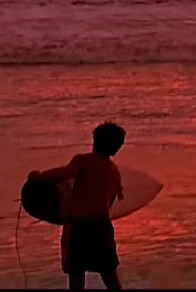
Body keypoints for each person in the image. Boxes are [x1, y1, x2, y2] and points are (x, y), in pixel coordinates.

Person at [29, 122, 127, 290]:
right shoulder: (114, 170)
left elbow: (65, 173)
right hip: (102, 226)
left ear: (95, 141)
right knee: (110, 277)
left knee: (76, 276)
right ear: (116, 148)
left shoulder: (83, 160)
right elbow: (111, 200)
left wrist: (39, 176)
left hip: (81, 227)